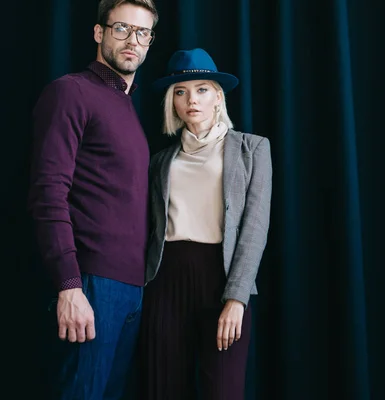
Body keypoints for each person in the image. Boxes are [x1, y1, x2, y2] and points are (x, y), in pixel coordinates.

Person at [27, 0, 159, 398]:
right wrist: (70, 285)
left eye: (142, 33)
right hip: (90, 283)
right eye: (121, 28)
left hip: (132, 289)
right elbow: (48, 192)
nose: (132, 40)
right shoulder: (71, 92)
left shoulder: (128, 107)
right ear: (99, 32)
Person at [138, 47, 272, 400]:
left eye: (201, 89)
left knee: (222, 392)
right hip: (166, 281)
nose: (191, 99)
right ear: (173, 103)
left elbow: (254, 230)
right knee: (163, 390)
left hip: (222, 281)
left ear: (217, 97)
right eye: (180, 92)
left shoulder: (252, 149)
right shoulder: (160, 161)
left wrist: (237, 299)